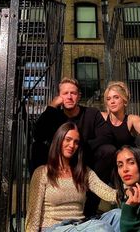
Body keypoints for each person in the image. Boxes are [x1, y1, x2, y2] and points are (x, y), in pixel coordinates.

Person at [31, 77, 116, 216]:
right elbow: (37, 135)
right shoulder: (55, 116)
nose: (69, 97)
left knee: (108, 150)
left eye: (73, 93)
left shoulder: (92, 113)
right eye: (65, 93)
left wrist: (79, 147)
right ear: (60, 96)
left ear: (79, 96)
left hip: (86, 160)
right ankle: (42, 201)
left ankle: (90, 209)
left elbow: (107, 137)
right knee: (37, 148)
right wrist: (51, 107)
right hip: (61, 164)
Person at [25, 122, 121, 232]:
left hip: (80, 225)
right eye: (68, 139)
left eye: (76, 142)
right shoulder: (42, 173)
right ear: (59, 140)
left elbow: (105, 191)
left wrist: (125, 194)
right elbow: (34, 212)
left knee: (119, 215)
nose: (72, 145)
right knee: (101, 229)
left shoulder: (83, 172)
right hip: (54, 228)